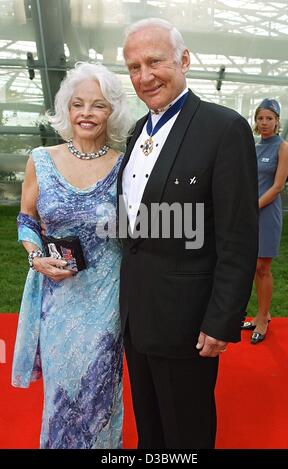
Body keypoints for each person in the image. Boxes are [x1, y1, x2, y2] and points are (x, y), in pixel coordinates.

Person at [117, 18, 259, 449]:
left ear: (183, 60)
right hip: (136, 315)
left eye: (155, 61)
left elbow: (238, 238)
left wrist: (222, 320)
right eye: (134, 67)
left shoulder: (224, 128)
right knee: (151, 429)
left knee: (186, 434)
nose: (145, 76)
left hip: (188, 322)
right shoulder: (135, 132)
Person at [12, 62, 133, 449]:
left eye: (97, 105)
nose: (86, 113)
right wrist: (35, 257)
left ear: (112, 112)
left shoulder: (125, 166)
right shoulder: (41, 159)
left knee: (98, 395)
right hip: (58, 301)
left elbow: (139, 230)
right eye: (78, 104)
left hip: (107, 301)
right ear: (66, 108)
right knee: (60, 398)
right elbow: (27, 219)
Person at [241, 98, 288, 344]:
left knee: (263, 267)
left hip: (267, 214)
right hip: (250, 212)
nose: (264, 123)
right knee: (251, 267)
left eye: (269, 118)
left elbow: (278, 186)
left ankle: (262, 319)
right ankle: (264, 313)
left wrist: (252, 207)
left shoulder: (283, 147)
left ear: (277, 121)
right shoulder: (253, 146)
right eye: (260, 118)